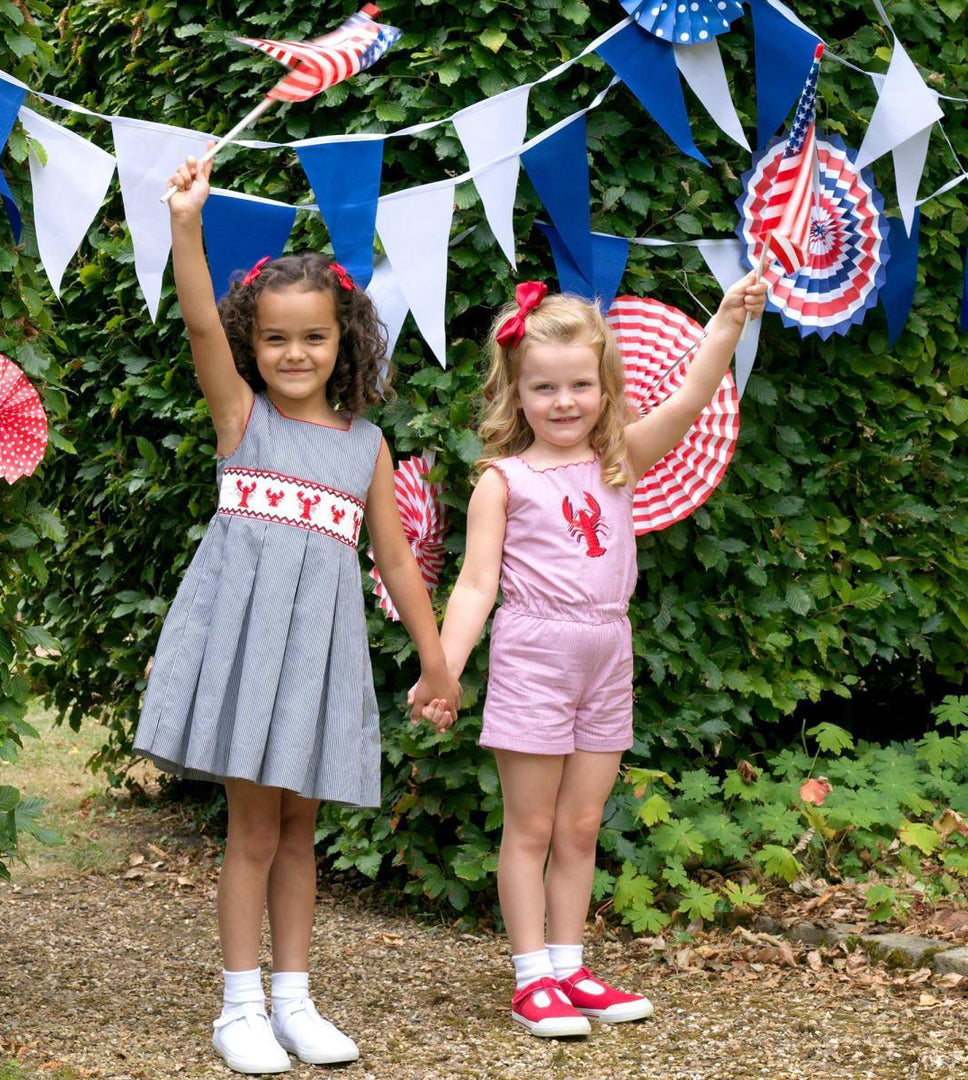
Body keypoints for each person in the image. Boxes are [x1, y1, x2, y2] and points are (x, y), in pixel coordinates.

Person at [133, 149, 461, 1075]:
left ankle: (293, 1000)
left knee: (299, 831)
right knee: (251, 829)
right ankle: (238, 1008)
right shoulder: (243, 421)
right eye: (275, 337)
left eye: (313, 337)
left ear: (343, 341)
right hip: (249, 651)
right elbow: (199, 319)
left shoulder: (366, 445)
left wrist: (437, 661)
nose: (293, 353)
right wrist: (187, 225)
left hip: (317, 657)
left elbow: (396, 560)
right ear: (254, 343)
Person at [416, 275, 767, 1037]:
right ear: (515, 393)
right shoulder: (502, 482)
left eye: (580, 384)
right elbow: (475, 586)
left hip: (607, 654)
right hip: (534, 658)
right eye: (544, 387)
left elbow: (689, 399)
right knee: (530, 828)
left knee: (579, 827)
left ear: (606, 388)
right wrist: (444, 670)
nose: (564, 401)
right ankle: (530, 977)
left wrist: (728, 323)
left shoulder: (620, 460)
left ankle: (569, 966)